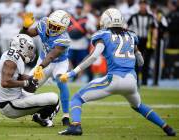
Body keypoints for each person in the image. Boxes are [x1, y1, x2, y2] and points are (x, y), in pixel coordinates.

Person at [58, 8, 176, 136]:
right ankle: (167, 127)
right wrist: (134, 53)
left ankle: (75, 126)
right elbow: (140, 61)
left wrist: (72, 73)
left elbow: (93, 56)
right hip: (131, 81)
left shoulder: (103, 35)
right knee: (138, 105)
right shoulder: (131, 36)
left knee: (76, 98)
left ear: (106, 21)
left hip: (114, 79)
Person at [0, 34, 59, 127]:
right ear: (22, 46)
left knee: (54, 104)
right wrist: (27, 83)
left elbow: (17, 76)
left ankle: (41, 115)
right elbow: (5, 82)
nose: (31, 52)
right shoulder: (13, 57)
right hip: (10, 104)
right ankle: (42, 118)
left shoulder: (13, 55)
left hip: (11, 99)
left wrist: (31, 79)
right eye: (29, 48)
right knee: (53, 98)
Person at [19, 10, 71, 125]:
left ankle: (66, 116)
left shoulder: (64, 39)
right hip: (43, 60)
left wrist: (40, 67)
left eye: (57, 27)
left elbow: (51, 56)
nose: (52, 28)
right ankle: (40, 113)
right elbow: (25, 35)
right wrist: (25, 27)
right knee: (28, 87)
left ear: (63, 28)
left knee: (61, 81)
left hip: (59, 63)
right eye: (51, 24)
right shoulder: (43, 23)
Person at [127, 0, 158, 86]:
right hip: (136, 41)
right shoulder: (134, 16)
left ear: (146, 6)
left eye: (144, 4)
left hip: (147, 41)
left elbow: (155, 28)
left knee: (146, 61)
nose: (143, 6)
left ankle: (145, 81)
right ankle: (136, 81)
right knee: (136, 61)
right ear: (139, 5)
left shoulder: (151, 17)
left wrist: (154, 41)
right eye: (141, 4)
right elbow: (126, 27)